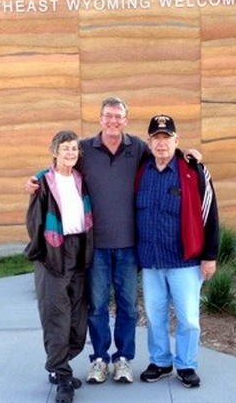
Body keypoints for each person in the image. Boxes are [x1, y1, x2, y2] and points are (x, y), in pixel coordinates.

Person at [24, 97, 202, 386]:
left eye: (118, 116)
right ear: (100, 119)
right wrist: (37, 177)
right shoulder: (85, 149)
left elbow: (165, 153)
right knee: (96, 307)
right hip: (96, 247)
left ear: (125, 120)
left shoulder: (138, 148)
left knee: (128, 307)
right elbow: (61, 167)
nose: (113, 121)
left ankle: (123, 359)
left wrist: (187, 155)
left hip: (129, 246)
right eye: (108, 116)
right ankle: (99, 358)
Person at [136, 114, 219, 388]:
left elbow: (209, 214)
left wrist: (209, 256)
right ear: (149, 142)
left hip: (185, 261)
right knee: (155, 317)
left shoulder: (193, 170)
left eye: (167, 138)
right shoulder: (140, 171)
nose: (161, 143)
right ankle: (160, 362)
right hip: (151, 261)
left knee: (188, 319)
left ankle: (186, 364)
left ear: (176, 140)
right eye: (156, 138)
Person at [23, 130, 94, 403]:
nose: (70, 153)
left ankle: (59, 363)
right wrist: (43, 251)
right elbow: (34, 221)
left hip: (80, 248)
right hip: (53, 250)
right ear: (55, 152)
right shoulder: (43, 181)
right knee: (56, 315)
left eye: (74, 148)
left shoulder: (81, 180)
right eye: (65, 148)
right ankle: (62, 376)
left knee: (78, 316)